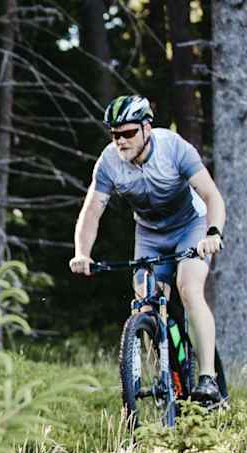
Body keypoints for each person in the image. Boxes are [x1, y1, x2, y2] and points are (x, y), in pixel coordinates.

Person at [69, 95, 226, 406]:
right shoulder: (109, 162)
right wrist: (82, 252)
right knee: (145, 305)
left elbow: (212, 195)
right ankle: (167, 381)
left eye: (128, 133)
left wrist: (213, 233)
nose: (121, 141)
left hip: (191, 226)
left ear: (146, 129)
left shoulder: (174, 148)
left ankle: (208, 378)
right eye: (115, 134)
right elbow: (92, 211)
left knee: (188, 287)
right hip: (150, 234)